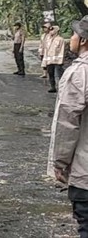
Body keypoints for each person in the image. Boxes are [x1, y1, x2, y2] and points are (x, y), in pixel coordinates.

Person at [52, 15, 88, 238]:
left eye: (74, 34)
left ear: (83, 40)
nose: (71, 38)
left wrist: (60, 162)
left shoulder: (79, 73)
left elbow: (67, 123)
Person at [43, 24, 66, 93]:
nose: (50, 31)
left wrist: (61, 60)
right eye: (50, 29)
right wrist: (45, 60)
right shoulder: (48, 39)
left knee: (59, 74)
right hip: (49, 60)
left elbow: (62, 50)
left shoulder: (60, 39)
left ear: (56, 31)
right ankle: (52, 87)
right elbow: (46, 50)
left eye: (52, 30)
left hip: (57, 60)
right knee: (50, 74)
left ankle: (63, 87)